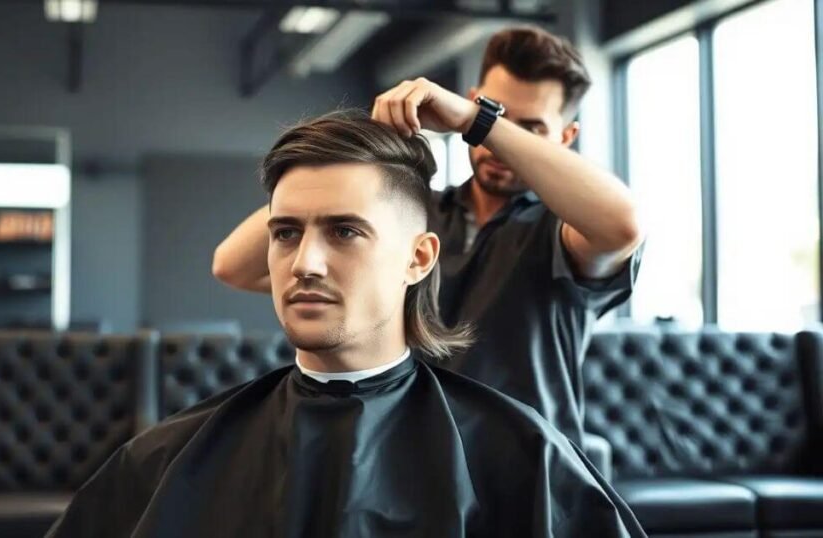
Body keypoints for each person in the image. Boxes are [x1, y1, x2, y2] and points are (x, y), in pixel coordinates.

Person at [45, 112, 646, 538]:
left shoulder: (523, 457)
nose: (304, 262)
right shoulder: (167, 457)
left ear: (418, 258)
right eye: (286, 233)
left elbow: (620, 224)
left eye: (345, 231)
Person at [212, 26, 644, 444]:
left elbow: (621, 224)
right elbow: (232, 266)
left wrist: (480, 121)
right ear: (473, 98)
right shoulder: (413, 214)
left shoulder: (563, 232)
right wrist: (371, 141)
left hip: (524, 471)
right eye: (496, 110)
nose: (495, 145)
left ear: (565, 137)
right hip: (408, 461)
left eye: (529, 128)